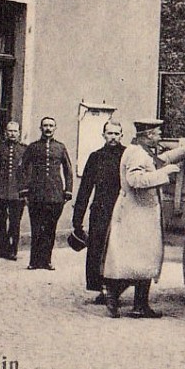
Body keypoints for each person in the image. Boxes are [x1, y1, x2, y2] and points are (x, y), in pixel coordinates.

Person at [101, 118, 185, 318]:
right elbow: (135, 180)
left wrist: (184, 150)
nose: (160, 136)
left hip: (140, 213)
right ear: (148, 135)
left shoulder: (142, 151)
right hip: (136, 214)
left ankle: (138, 305)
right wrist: (164, 174)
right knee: (140, 259)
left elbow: (160, 160)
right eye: (158, 133)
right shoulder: (136, 154)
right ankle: (116, 294)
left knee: (144, 259)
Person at [72, 120, 126, 304]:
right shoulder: (95, 157)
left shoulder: (127, 155)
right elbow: (85, 189)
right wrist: (77, 220)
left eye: (116, 134)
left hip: (121, 210)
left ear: (121, 136)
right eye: (109, 133)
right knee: (98, 249)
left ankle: (115, 289)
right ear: (103, 135)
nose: (113, 137)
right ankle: (102, 289)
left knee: (117, 251)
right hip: (100, 210)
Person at [21, 116, 73, 270]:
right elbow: (22, 169)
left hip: (55, 195)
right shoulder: (33, 147)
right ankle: (34, 261)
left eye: (51, 126)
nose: (48, 128)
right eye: (45, 126)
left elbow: (68, 170)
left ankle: (47, 261)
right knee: (36, 228)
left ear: (55, 128)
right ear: (40, 128)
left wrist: (68, 190)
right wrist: (24, 190)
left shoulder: (60, 147)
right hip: (36, 194)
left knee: (50, 229)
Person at [0, 120, 27, 260]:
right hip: (0, 190)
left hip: (17, 192)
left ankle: (12, 250)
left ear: (19, 133)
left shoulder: (24, 150)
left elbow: (28, 172)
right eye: (10, 131)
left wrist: (26, 191)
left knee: (15, 223)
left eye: (15, 131)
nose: (12, 134)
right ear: (5, 133)